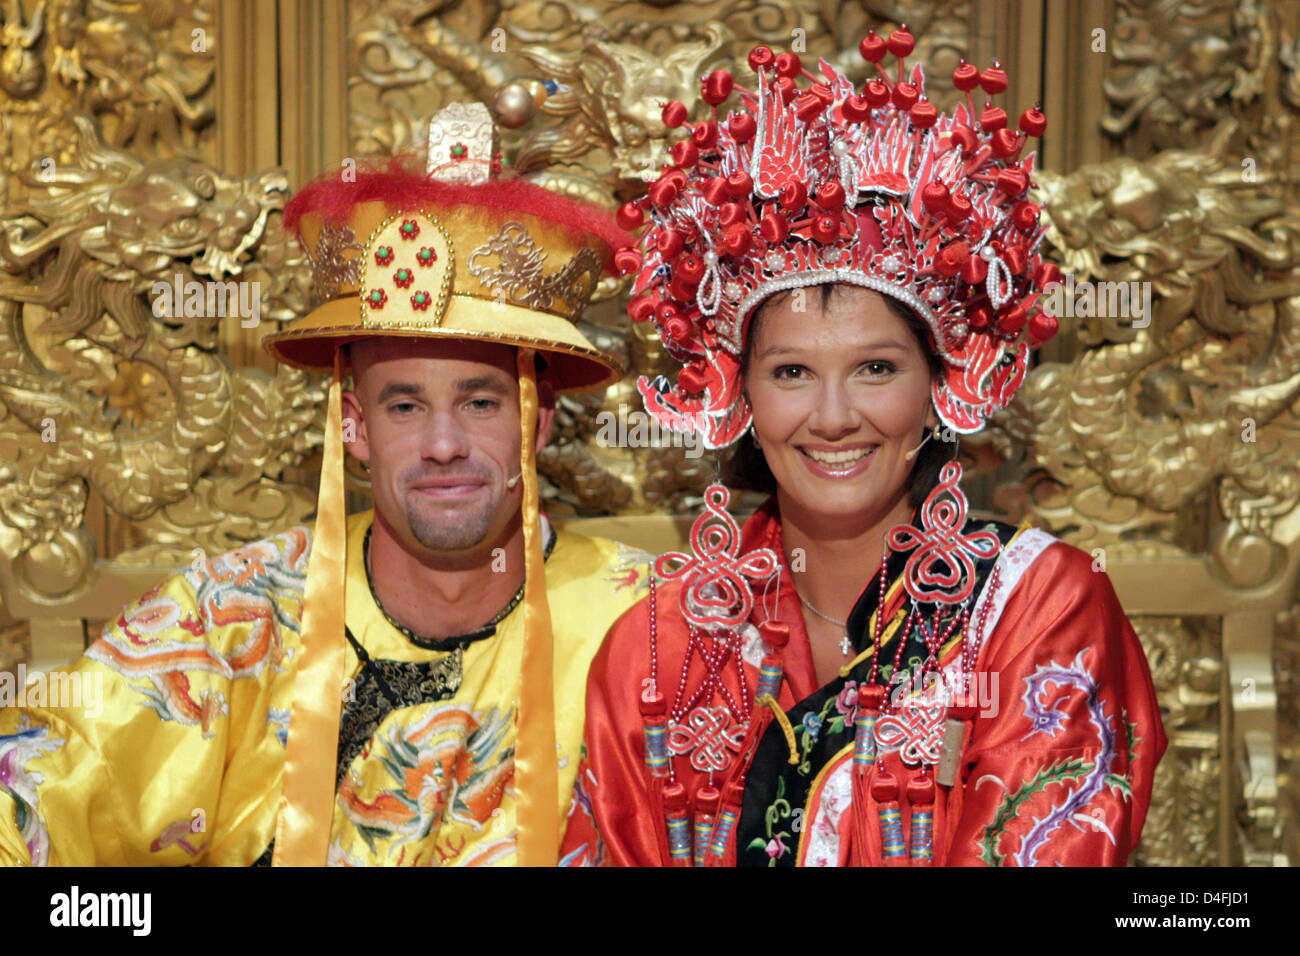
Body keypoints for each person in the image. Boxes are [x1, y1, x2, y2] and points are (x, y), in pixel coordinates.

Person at [560, 28, 1167, 866]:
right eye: (792, 372)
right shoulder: (659, 645)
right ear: (738, 393)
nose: (835, 417)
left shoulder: (1040, 611)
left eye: (877, 368)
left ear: (939, 387)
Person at [0, 102, 649, 867]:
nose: (444, 445)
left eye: (480, 402)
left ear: (537, 426)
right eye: (404, 406)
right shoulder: (231, 618)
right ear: (354, 427)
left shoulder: (645, 625)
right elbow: (48, 785)